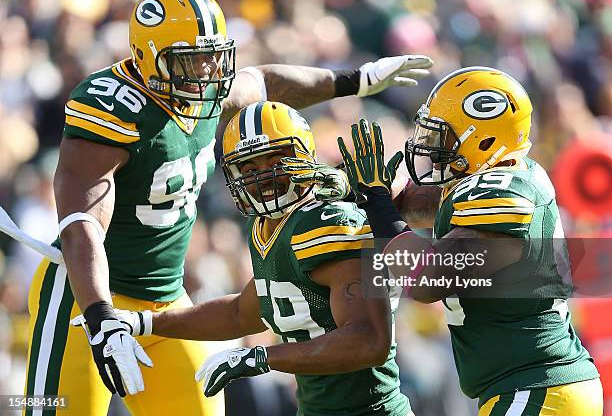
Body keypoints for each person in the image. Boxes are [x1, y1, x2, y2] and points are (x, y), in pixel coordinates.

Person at [22, 0, 432, 416]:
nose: (207, 72)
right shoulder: (111, 107)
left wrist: (356, 80)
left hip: (163, 299)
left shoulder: (207, 90)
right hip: (83, 299)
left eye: (212, 57)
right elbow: (83, 221)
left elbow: (267, 82)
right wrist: (101, 315)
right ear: (147, 57)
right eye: (191, 61)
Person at [290, 67, 603, 415]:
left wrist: (378, 204)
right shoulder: (503, 176)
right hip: (531, 385)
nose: (431, 146)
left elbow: (426, 280)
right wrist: (359, 191)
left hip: (538, 386)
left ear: (483, 139)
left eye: (445, 136)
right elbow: (421, 206)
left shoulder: (501, 192)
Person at [74, 101, 413, 416]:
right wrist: (143, 322)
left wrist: (263, 357)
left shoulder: (327, 222)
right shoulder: (265, 227)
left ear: (305, 157)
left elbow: (369, 339)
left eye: (275, 160)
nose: (262, 175)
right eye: (248, 167)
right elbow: (242, 313)